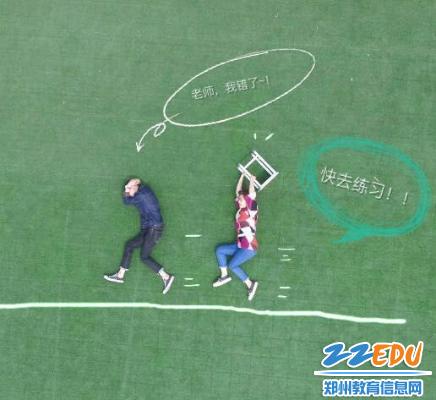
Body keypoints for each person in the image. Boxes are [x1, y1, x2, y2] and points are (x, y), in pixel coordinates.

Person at [104, 178, 175, 294]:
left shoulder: (141, 195)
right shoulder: (142, 190)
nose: (129, 190)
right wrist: (130, 186)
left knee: (144, 257)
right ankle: (120, 276)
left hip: (154, 230)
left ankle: (167, 277)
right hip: (149, 228)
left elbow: (126, 201)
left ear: (136, 186)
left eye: (130, 188)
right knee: (129, 245)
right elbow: (132, 191)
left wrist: (126, 189)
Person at [213, 174, 259, 301]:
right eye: (238, 199)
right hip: (240, 245)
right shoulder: (240, 209)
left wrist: (251, 181)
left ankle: (250, 284)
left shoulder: (251, 210)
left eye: (240, 199)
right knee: (220, 250)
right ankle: (224, 276)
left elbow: (252, 194)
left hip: (249, 247)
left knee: (232, 265)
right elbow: (238, 191)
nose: (238, 200)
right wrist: (242, 176)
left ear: (247, 201)